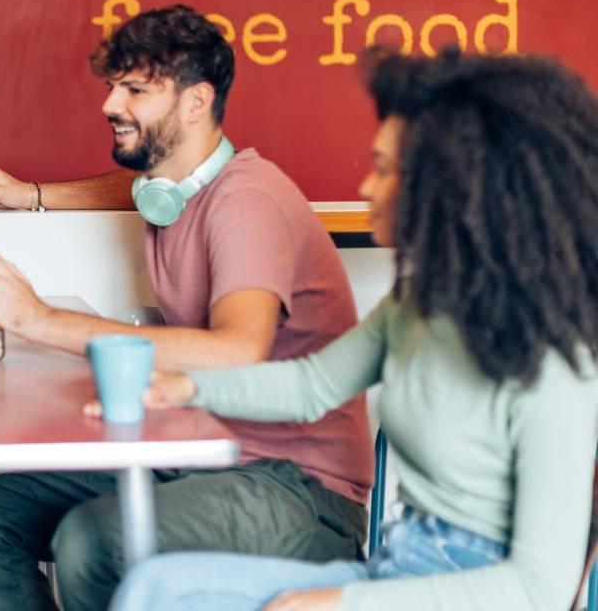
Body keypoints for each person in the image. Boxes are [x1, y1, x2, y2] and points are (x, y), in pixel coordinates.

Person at [109, 50, 598, 611]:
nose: (366, 186)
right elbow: (310, 385)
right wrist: (188, 388)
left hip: (468, 595)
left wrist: (336, 604)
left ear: (455, 187)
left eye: (386, 170)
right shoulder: (419, 304)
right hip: (398, 571)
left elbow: (538, 591)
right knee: (153, 590)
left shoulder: (555, 365)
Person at [0, 6, 373, 611]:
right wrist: (31, 196)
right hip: (201, 453)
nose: (110, 104)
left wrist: (38, 318)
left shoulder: (246, 202)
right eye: (114, 86)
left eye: (136, 89)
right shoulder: (171, 188)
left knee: (94, 540)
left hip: (300, 491)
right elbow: (132, 185)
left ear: (195, 102)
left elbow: (236, 352)